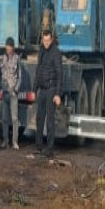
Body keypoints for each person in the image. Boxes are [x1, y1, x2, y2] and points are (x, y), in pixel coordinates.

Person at [34, 27, 64, 158]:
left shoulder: (56, 53)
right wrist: (34, 90)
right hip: (42, 89)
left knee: (50, 120)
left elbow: (59, 73)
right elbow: (38, 71)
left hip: (52, 89)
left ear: (51, 39)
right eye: (44, 41)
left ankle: (49, 148)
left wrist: (58, 94)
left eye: (48, 41)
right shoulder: (41, 51)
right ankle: (38, 145)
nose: (46, 43)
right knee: (39, 118)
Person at [0, 37, 26, 150]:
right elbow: (0, 74)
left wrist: (16, 88)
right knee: (5, 118)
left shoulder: (17, 59)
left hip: (13, 92)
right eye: (7, 47)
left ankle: (15, 141)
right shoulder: (3, 58)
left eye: (10, 47)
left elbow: (20, 76)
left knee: (14, 118)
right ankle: (5, 140)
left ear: (13, 47)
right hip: (5, 92)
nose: (8, 49)